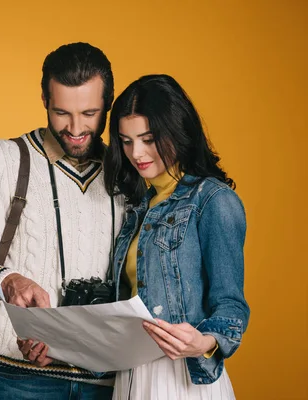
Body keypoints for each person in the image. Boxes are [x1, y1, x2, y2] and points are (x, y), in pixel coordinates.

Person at [0, 42, 125, 399]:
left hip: (107, 380)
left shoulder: (127, 172)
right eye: (62, 112)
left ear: (108, 103)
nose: (76, 128)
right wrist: (8, 281)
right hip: (18, 377)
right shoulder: (6, 159)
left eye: (90, 113)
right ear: (44, 99)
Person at [103, 74, 250, 399]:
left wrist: (205, 342)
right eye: (126, 141)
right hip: (129, 374)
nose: (136, 152)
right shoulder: (138, 206)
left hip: (183, 376)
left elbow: (231, 303)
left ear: (176, 130)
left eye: (148, 138)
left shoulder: (213, 201)